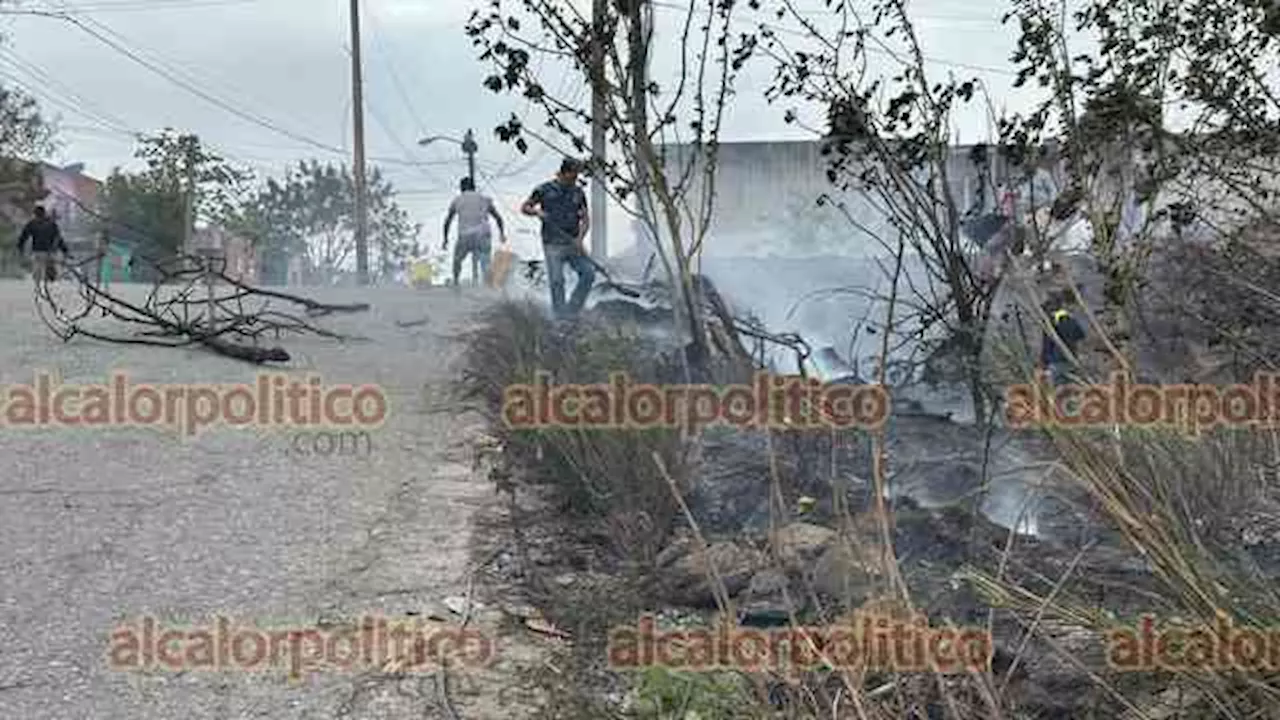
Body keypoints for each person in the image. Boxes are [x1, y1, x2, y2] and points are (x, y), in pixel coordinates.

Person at [521, 158, 594, 318]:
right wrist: (537, 212)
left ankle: (572, 310)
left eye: (576, 176)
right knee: (557, 281)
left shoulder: (578, 193)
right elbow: (525, 207)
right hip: (552, 244)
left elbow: (586, 219)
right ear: (564, 172)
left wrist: (580, 239)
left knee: (589, 273)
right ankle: (560, 316)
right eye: (573, 175)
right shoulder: (544, 190)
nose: (575, 179)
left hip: (573, 243)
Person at [442, 177, 506, 289]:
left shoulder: (457, 200)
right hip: (483, 235)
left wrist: (445, 239)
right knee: (485, 262)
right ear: (474, 187)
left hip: (465, 235)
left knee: (457, 260)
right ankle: (489, 287)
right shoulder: (485, 199)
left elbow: (448, 221)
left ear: (462, 187)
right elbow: (498, 218)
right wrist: (502, 234)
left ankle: (456, 282)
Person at [1040, 293, 1086, 386]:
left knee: (1056, 392)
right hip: (1071, 359)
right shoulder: (1071, 319)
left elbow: (1047, 344)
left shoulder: (1051, 322)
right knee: (1070, 390)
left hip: (1055, 362)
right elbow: (1081, 335)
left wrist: (1044, 362)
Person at [16, 206, 68, 286]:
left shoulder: (32, 223)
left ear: (35, 214)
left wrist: (20, 247)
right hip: (50, 252)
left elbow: (24, 236)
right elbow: (58, 239)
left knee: (37, 272)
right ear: (44, 213)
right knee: (50, 272)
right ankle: (50, 286)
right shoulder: (51, 224)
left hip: (38, 251)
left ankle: (38, 287)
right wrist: (65, 250)